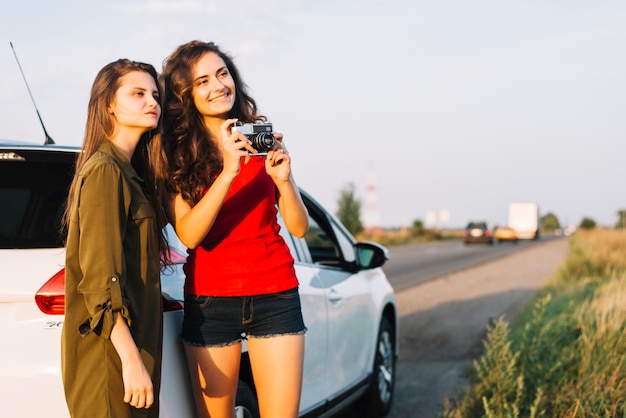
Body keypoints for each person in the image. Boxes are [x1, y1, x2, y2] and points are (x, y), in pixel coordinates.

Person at [156, 40, 309, 418]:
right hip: (211, 298)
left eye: (222, 74)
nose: (218, 86)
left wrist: (285, 181)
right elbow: (190, 235)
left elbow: (299, 227)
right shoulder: (173, 152)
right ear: (185, 95)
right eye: (203, 81)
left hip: (275, 290)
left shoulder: (259, 134)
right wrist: (228, 171)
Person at [61, 59, 169, 418]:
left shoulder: (128, 171)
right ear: (109, 103)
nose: (151, 101)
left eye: (154, 94)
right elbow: (99, 283)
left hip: (131, 349)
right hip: (109, 357)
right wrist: (130, 360)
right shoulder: (106, 170)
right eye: (138, 93)